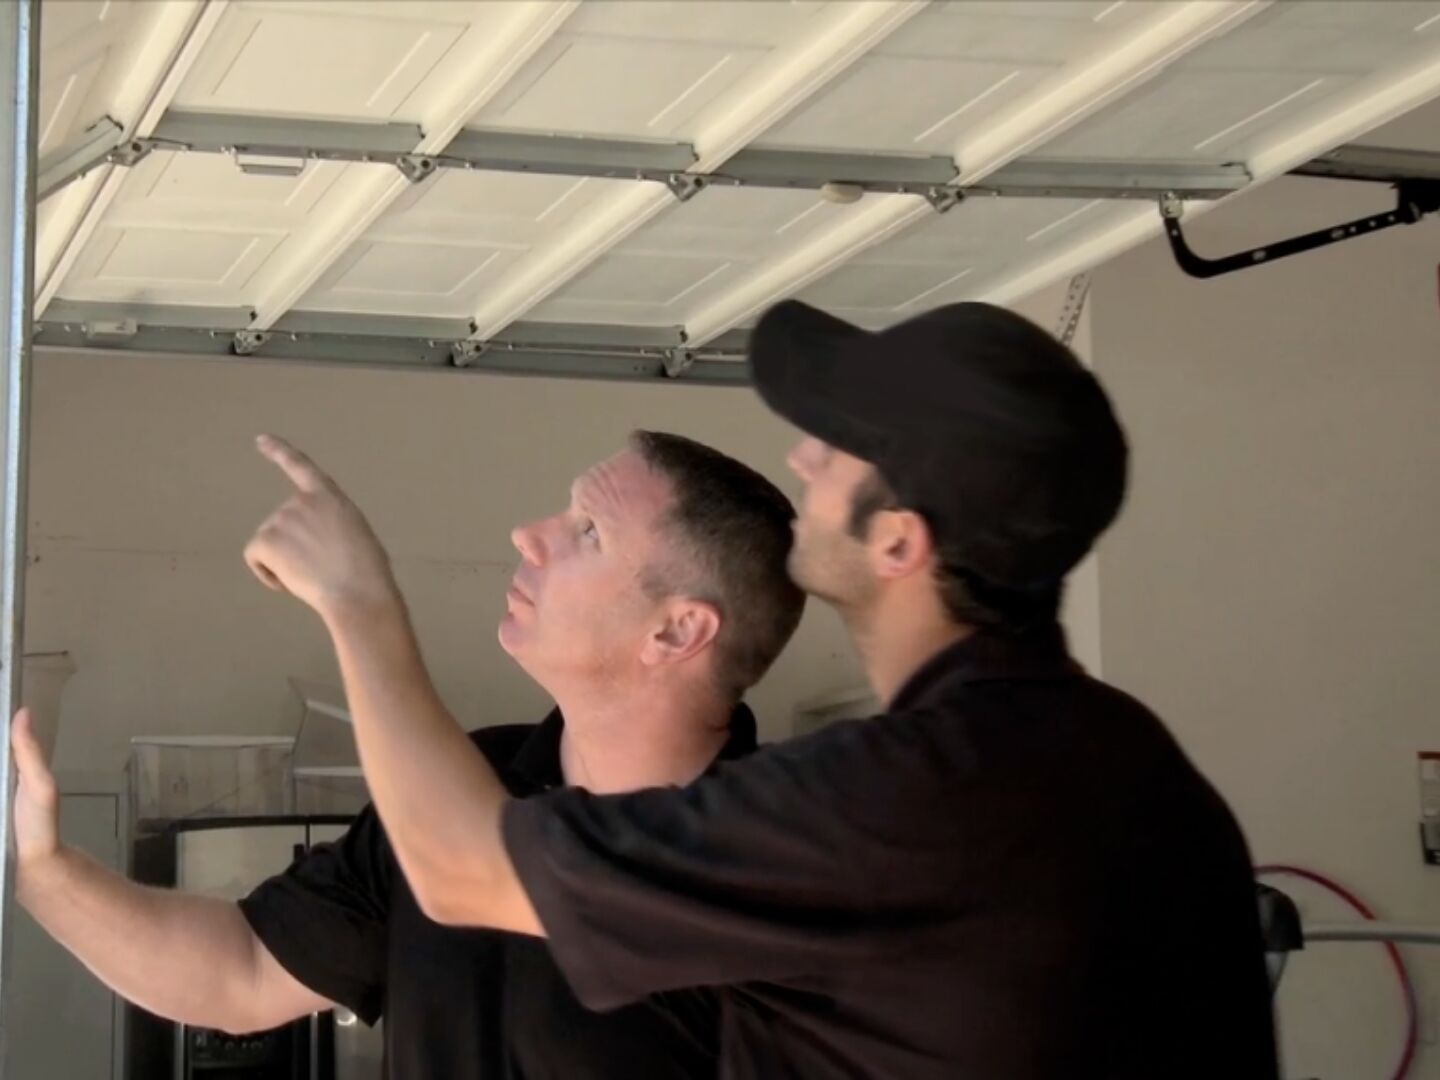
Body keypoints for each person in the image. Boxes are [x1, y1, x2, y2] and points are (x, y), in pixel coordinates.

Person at [243, 301, 1279, 1078]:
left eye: (834, 450)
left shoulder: (892, 799)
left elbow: (464, 874)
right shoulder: (1135, 763)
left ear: (899, 541)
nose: (800, 454)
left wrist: (358, 602)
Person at [0, 430, 807, 1079]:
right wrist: (34, 867)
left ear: (678, 630)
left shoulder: (773, 860)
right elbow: (243, 972)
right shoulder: (476, 779)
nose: (529, 537)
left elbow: (472, 871)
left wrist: (358, 601)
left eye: (587, 532)